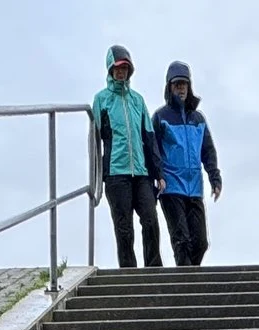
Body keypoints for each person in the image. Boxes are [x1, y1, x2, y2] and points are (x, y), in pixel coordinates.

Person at [91, 46, 163, 268]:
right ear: (111, 70)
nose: (122, 72)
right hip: (115, 173)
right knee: (124, 227)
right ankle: (128, 272)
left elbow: (149, 137)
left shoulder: (138, 100)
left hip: (141, 173)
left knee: (150, 220)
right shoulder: (101, 99)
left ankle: (154, 268)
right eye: (118, 68)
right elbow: (94, 141)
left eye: (126, 68)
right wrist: (97, 178)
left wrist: (158, 173)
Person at [152, 61, 222, 267]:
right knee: (181, 240)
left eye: (184, 84)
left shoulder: (198, 119)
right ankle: (185, 286)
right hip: (171, 186)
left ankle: (189, 278)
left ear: (189, 87)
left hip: (194, 188)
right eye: (177, 84)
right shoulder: (160, 117)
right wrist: (158, 176)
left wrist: (214, 178)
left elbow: (207, 150)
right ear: (169, 87)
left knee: (200, 243)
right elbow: (153, 150)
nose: (181, 88)